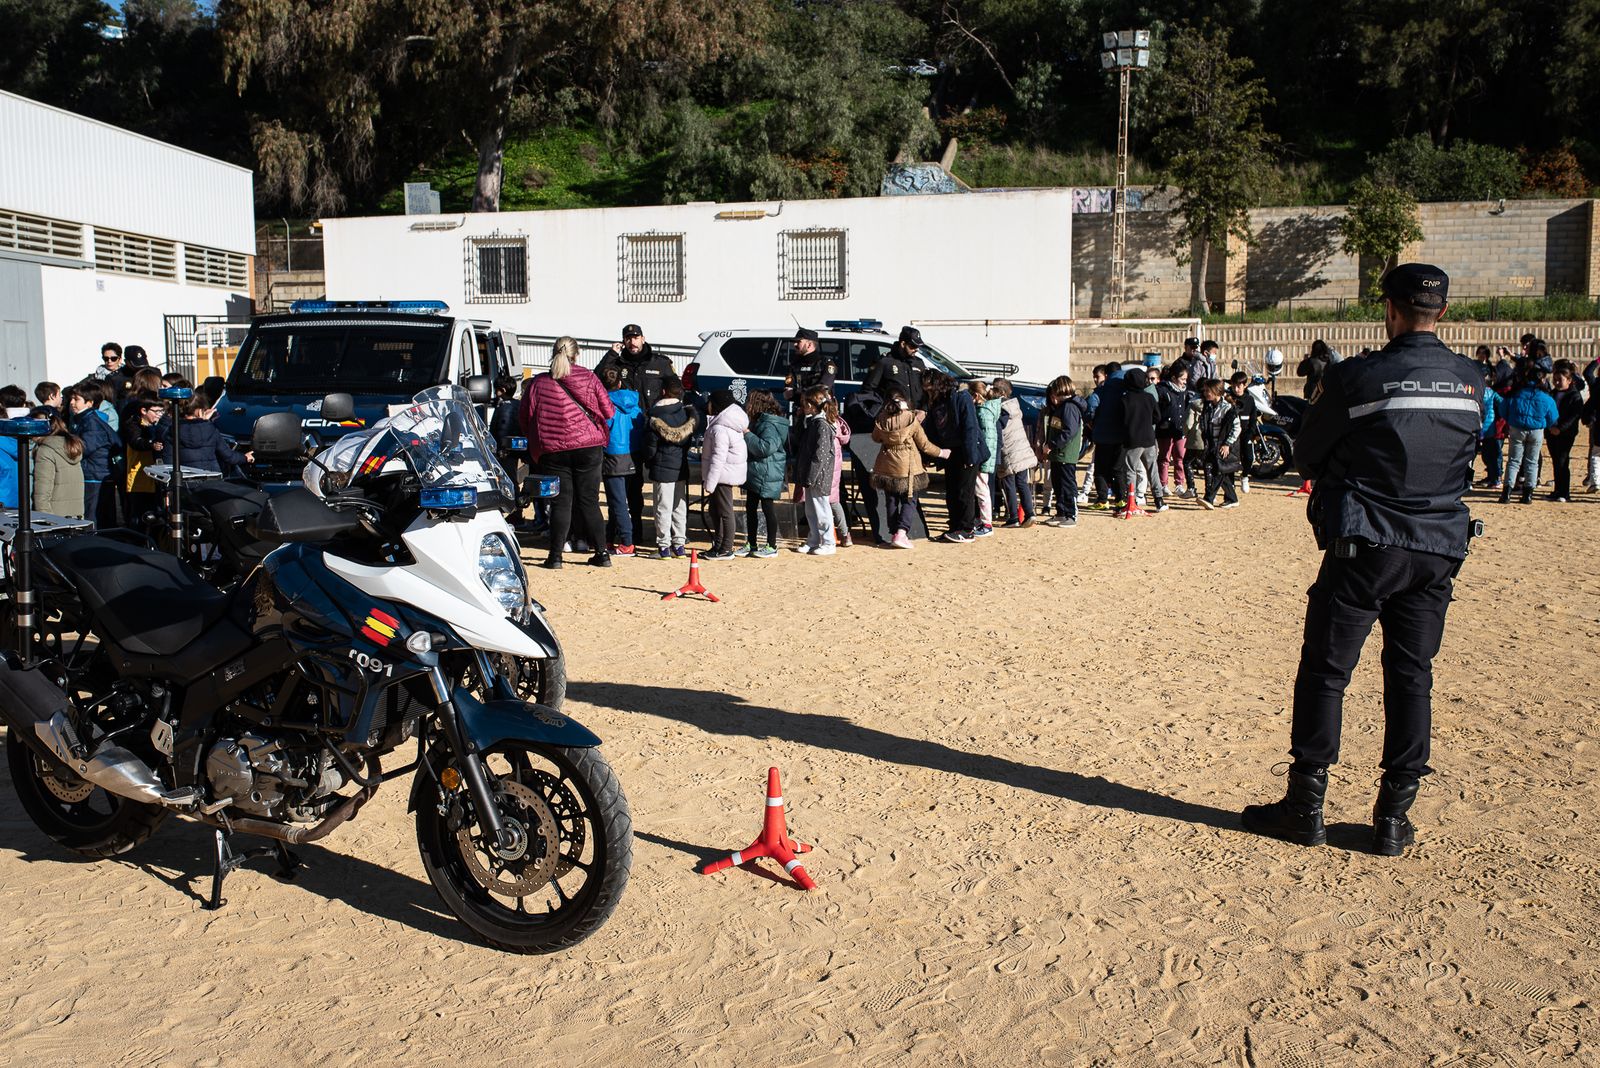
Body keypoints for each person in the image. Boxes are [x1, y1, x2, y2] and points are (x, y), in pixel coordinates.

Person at [1242, 263, 1483, 857]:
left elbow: (1309, 453)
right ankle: (1393, 821)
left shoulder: (1359, 377)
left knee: (1327, 672)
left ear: (1389, 309)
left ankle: (1306, 809)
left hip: (1367, 544)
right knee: (1411, 677)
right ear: (1443, 312)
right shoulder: (1473, 380)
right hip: (1438, 547)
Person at [523, 336, 614, 569]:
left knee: (561, 503)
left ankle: (555, 557)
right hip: (588, 446)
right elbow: (608, 411)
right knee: (589, 501)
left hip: (553, 449)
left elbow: (525, 416)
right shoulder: (589, 377)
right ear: (577, 353)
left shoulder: (538, 383)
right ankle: (602, 554)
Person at [595, 324, 675, 535]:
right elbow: (596, 379)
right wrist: (612, 354)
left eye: (636, 337)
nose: (632, 342)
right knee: (629, 484)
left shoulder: (659, 363)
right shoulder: (617, 362)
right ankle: (626, 529)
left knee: (660, 482)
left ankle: (656, 529)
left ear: (643, 338)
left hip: (653, 431)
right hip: (626, 435)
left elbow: (676, 389)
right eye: (628, 338)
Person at [871, 385, 947, 549]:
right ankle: (902, 532)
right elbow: (924, 445)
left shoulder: (881, 418)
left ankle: (893, 533)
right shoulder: (911, 419)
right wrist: (941, 453)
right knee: (909, 500)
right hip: (908, 467)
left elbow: (876, 437)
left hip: (887, 464)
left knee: (891, 500)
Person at [641, 376, 695, 559]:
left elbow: (650, 448)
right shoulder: (686, 413)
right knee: (679, 506)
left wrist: (648, 461)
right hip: (680, 466)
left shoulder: (655, 415)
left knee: (662, 507)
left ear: (663, 391)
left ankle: (664, 546)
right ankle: (679, 544)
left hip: (662, 467)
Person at [1500, 361, 1558, 505]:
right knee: (1532, 463)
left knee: (1513, 461)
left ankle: (1506, 493)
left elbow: (1503, 408)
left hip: (1517, 428)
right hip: (1536, 430)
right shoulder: (1546, 397)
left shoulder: (1517, 393)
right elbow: (1553, 417)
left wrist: (1511, 420)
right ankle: (1528, 495)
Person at [700, 389, 748, 560]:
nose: (707, 405)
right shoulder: (724, 423)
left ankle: (726, 548)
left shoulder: (720, 428)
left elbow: (718, 457)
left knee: (725, 512)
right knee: (715, 510)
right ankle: (718, 545)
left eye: (710, 402)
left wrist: (710, 483)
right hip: (723, 473)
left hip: (722, 474)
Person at [738, 390, 787, 559]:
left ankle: (772, 545)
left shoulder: (768, 424)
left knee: (768, 509)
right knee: (750, 508)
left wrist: (747, 434)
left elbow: (766, 447)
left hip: (767, 472)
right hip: (757, 472)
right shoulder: (760, 421)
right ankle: (751, 543)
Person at [153, 393, 254, 473]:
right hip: (210, 481)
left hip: (186, 483)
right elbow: (229, 456)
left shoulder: (173, 430)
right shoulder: (210, 429)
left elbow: (169, 463)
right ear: (199, 411)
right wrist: (245, 458)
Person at [599, 366, 641, 555]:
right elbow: (640, 424)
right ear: (620, 383)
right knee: (621, 500)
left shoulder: (605, 405)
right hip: (631, 453)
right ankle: (610, 537)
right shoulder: (634, 404)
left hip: (613, 454)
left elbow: (603, 430)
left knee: (617, 502)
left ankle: (627, 542)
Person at [64, 384, 116, 528]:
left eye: (76, 399)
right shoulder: (84, 419)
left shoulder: (91, 422)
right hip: (96, 473)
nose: (72, 402)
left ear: (90, 402)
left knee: (93, 516)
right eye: (71, 399)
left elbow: (83, 448)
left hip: (95, 475)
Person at [793, 387, 837, 556]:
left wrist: (811, 475)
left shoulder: (823, 425)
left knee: (821, 509)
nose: (803, 406)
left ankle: (828, 542)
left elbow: (821, 454)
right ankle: (814, 540)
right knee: (811, 510)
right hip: (810, 475)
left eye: (806, 403)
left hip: (819, 475)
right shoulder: (812, 422)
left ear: (813, 405)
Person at [1118, 368, 1165, 513]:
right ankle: (1159, 500)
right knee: (1152, 469)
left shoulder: (1124, 399)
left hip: (1132, 440)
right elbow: (1157, 417)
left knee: (1130, 470)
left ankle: (1131, 500)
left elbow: (1120, 421)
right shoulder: (1149, 398)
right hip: (1149, 438)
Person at [992, 379, 1038, 526]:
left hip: (1010, 452)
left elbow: (1000, 427)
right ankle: (1030, 513)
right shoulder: (1014, 406)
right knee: (1022, 483)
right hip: (1022, 451)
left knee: (1008, 484)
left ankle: (1013, 517)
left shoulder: (1001, 409)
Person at [1042, 375, 1083, 527]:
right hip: (1058, 455)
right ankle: (1061, 513)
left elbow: (1069, 431)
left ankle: (1071, 514)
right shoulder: (1061, 407)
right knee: (1058, 484)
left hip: (1066, 453)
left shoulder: (1069, 407)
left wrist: (1052, 444)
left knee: (1067, 485)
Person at [28, 408, 85, 518]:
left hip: (54, 520)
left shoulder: (45, 450)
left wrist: (45, 520)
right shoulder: (71, 446)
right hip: (75, 516)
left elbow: (42, 493)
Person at [1194, 379, 1240, 510]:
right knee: (1220, 470)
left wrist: (1227, 444)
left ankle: (1209, 498)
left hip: (1223, 445)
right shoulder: (1208, 407)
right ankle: (1232, 498)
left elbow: (1236, 428)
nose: (1205, 393)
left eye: (1208, 390)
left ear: (1216, 392)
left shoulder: (1228, 408)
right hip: (1212, 444)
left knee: (1218, 470)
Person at [1546, 360, 1584, 503]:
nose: (1556, 382)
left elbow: (1574, 416)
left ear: (1569, 380)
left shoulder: (1574, 396)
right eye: (1555, 380)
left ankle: (1564, 492)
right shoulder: (1552, 393)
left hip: (1566, 433)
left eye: (1560, 380)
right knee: (1556, 461)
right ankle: (1557, 490)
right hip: (1551, 432)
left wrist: (1560, 429)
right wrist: (1550, 427)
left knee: (1563, 461)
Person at [862, 327, 927, 410]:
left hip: (917, 416)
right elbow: (869, 389)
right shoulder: (885, 362)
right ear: (903, 344)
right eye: (913, 346)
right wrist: (881, 409)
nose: (916, 349)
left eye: (917, 346)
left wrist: (924, 410)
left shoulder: (919, 363)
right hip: (893, 415)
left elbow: (926, 390)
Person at [1156, 365, 1193, 497]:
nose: (1184, 382)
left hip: (1179, 430)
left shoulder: (1185, 392)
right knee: (1164, 457)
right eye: (1182, 379)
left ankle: (1179, 484)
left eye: (1186, 379)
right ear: (1173, 378)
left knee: (1180, 457)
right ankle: (1163, 484)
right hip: (1165, 430)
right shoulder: (1162, 390)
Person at [825, 396, 853, 547]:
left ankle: (840, 533)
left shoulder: (827, 427)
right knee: (834, 501)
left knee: (830, 502)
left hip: (828, 469)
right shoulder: (837, 426)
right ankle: (844, 534)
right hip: (834, 470)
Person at [972, 381, 999, 535]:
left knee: (982, 490)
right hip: (986, 455)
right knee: (982, 489)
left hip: (983, 456)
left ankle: (987, 524)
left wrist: (981, 456)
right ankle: (984, 521)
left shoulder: (983, 412)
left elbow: (987, 437)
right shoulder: (986, 410)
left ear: (976, 395)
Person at [1228, 372, 1260, 492]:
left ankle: (1244, 476)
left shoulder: (1249, 399)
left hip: (1246, 433)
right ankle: (1230, 483)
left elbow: (1253, 417)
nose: (1236, 389)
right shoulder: (1229, 398)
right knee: (1231, 459)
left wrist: (1251, 433)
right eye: (1234, 386)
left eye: (1239, 386)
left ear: (1245, 385)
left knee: (1248, 458)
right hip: (1232, 434)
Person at [1477, 369, 1507, 491]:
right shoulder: (1493, 394)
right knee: (1492, 455)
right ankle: (1495, 477)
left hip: (1482, 428)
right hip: (1490, 428)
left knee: (1489, 455)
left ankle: (1495, 478)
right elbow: (1503, 404)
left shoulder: (1477, 394)